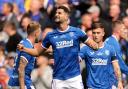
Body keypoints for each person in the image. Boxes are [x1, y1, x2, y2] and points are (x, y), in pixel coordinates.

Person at [17, 6, 99, 89]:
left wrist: (94, 47)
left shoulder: (77, 32)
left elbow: (93, 46)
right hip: (58, 80)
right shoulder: (50, 35)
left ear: (66, 16)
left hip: (75, 78)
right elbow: (37, 52)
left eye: (59, 13)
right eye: (56, 13)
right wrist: (24, 49)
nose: (56, 14)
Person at [79, 22, 123, 89]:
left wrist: (119, 82)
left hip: (107, 86)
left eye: (98, 33)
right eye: (94, 33)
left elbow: (116, 67)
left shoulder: (110, 49)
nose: (96, 35)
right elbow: (75, 61)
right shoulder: (85, 49)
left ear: (103, 33)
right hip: (92, 87)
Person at [8, 22, 41, 89]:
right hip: (22, 83)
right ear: (36, 33)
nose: (40, 35)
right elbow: (21, 69)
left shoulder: (23, 42)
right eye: (39, 33)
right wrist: (22, 87)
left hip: (16, 81)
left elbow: (38, 51)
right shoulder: (27, 46)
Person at [105, 20, 128, 88]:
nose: (126, 31)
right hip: (109, 80)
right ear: (118, 30)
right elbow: (120, 64)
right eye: (124, 28)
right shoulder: (113, 43)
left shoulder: (112, 41)